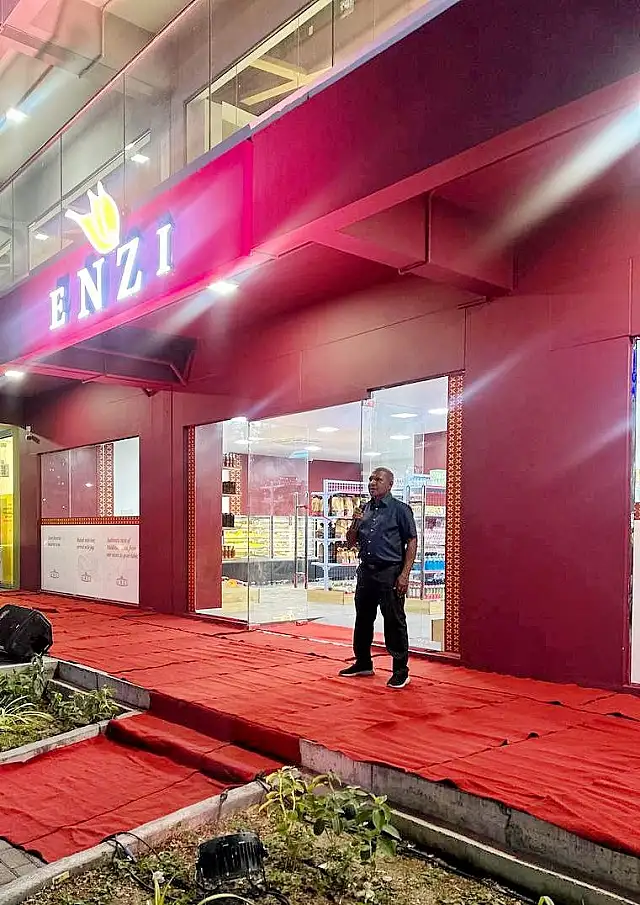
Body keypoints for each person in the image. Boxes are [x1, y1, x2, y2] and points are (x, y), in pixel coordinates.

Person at [339, 467, 417, 689]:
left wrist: (404, 574)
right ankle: (363, 662)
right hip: (366, 572)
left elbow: (411, 541)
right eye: (371, 479)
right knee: (363, 619)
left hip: (389, 572)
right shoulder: (364, 509)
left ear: (390, 484)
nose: (373, 482)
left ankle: (400, 670)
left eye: (378, 479)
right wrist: (355, 523)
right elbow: (350, 542)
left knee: (394, 621)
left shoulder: (400, 510)